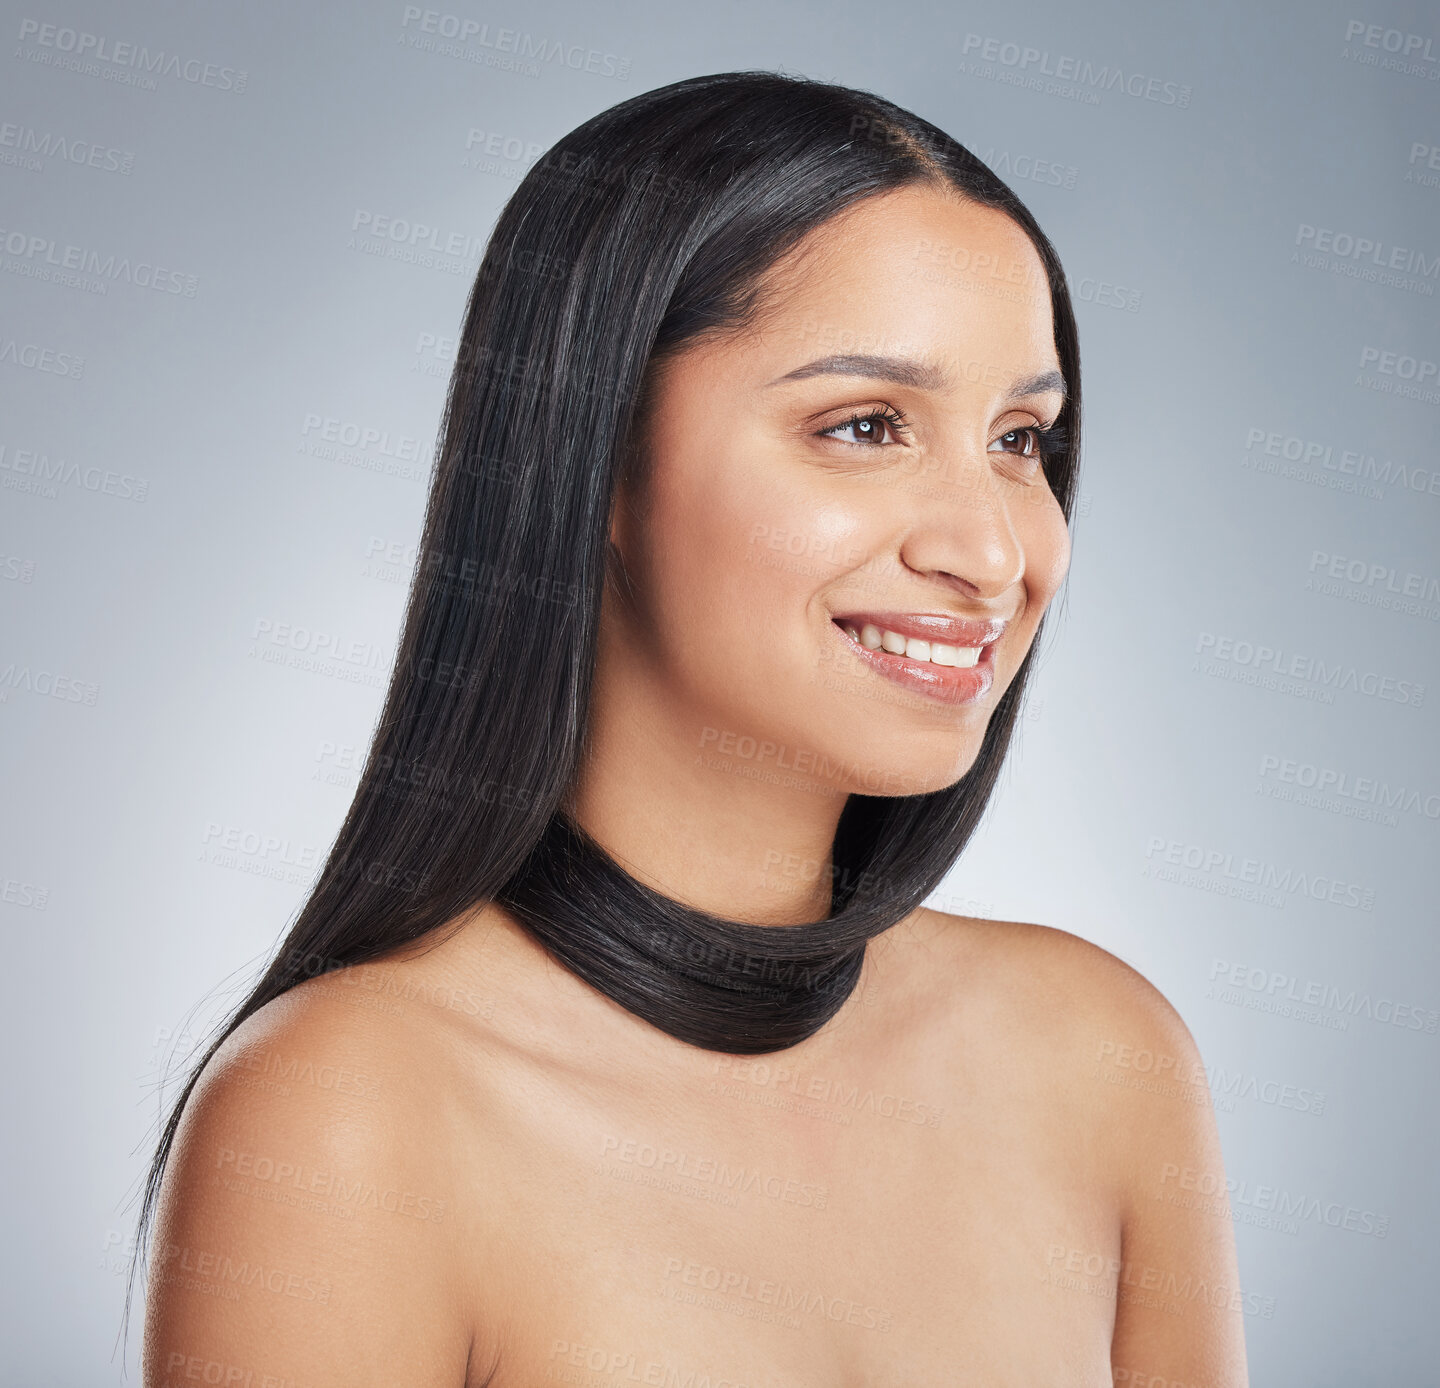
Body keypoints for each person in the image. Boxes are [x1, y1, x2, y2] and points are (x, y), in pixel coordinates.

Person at [134, 70, 1249, 1386]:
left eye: (1020, 439)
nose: (992, 547)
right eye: (866, 425)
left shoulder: (1103, 1056)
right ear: (593, 455)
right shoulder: (348, 1117)